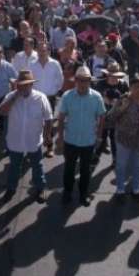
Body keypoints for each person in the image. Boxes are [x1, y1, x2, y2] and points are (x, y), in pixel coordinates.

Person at [0, 70, 53, 204]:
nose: (24, 86)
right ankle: (11, 189)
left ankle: (40, 188)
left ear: (32, 84)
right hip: (15, 140)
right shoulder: (11, 96)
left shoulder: (41, 97)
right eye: (22, 84)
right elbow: (1, 111)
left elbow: (49, 118)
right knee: (14, 167)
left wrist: (47, 136)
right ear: (17, 84)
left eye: (27, 84)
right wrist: (15, 95)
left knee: (37, 165)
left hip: (33, 139)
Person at [106, 74, 139, 202]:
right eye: (136, 87)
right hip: (124, 140)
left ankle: (136, 190)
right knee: (121, 165)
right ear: (130, 88)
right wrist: (121, 108)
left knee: (138, 166)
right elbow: (110, 118)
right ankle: (120, 190)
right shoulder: (123, 99)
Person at [56, 66, 106, 206]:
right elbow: (61, 117)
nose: (83, 83)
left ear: (90, 81)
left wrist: (99, 137)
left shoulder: (97, 97)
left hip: (88, 141)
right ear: (75, 80)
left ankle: (83, 195)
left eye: (86, 80)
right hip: (70, 140)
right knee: (69, 170)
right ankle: (67, 193)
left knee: (85, 171)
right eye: (80, 80)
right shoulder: (67, 96)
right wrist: (59, 137)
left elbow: (102, 117)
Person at [93, 62, 128, 163]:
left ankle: (115, 158)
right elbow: (95, 98)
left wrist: (118, 102)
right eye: (111, 74)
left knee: (115, 139)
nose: (113, 77)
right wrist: (103, 100)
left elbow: (127, 99)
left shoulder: (123, 84)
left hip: (117, 117)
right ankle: (96, 156)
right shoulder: (100, 84)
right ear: (107, 74)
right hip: (102, 116)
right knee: (101, 137)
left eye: (115, 75)